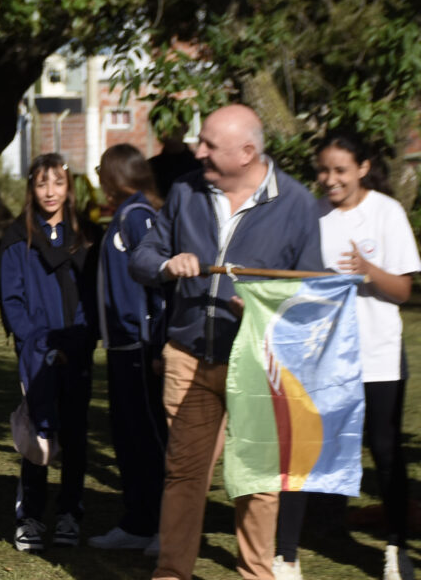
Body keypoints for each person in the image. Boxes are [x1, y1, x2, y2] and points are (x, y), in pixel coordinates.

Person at [130, 104, 324, 580]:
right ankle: (172, 571)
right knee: (184, 473)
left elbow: (313, 294)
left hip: (258, 363)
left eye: (210, 146)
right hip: (188, 355)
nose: (198, 152)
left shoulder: (297, 204)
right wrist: (165, 264)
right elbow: (142, 257)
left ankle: (256, 572)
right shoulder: (185, 191)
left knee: (257, 482)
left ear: (247, 152)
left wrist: (269, 310)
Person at [273, 133, 421, 580]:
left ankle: (396, 549)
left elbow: (404, 290)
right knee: (306, 448)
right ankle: (286, 555)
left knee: (384, 450)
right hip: (323, 356)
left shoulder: (387, 213)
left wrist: (368, 271)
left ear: (362, 168)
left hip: (377, 357)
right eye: (323, 170)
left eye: (339, 170)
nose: (329, 179)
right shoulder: (311, 214)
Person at [0, 153, 95, 552]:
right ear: (31, 188)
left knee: (74, 435)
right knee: (37, 432)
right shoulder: (18, 238)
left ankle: (70, 511)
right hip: (37, 353)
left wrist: (78, 342)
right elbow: (12, 300)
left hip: (77, 349)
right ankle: (31, 517)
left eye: (57, 182)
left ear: (69, 186)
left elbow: (93, 297)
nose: (50, 192)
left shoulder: (85, 236)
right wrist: (39, 345)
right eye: (41, 183)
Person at [88, 144, 167, 551]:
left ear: (118, 174)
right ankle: (137, 522)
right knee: (126, 436)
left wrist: (156, 345)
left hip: (139, 344)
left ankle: (164, 527)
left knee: (147, 436)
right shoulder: (120, 215)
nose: (98, 176)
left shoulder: (138, 217)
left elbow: (157, 281)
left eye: (102, 169)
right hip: (120, 345)